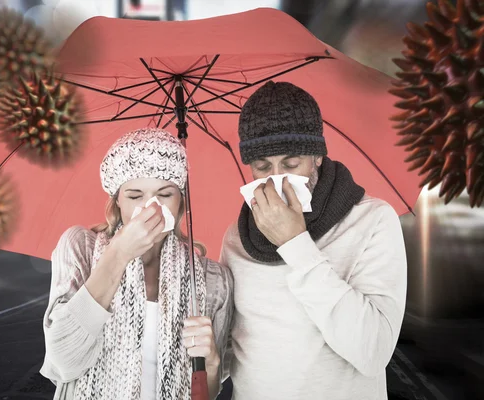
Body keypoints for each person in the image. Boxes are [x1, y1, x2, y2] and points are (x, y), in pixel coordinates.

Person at [220, 81, 407, 400]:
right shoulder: (237, 237)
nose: (276, 177)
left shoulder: (373, 220)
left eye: (291, 164)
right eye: (262, 166)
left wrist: (295, 244)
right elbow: (228, 353)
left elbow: (373, 352)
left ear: (317, 155)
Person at [40, 128, 234, 400]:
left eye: (165, 194)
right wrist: (118, 254)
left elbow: (207, 393)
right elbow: (63, 363)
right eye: (135, 196)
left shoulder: (212, 280)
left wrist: (211, 365)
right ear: (117, 201)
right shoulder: (81, 248)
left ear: (181, 203)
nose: (150, 206)